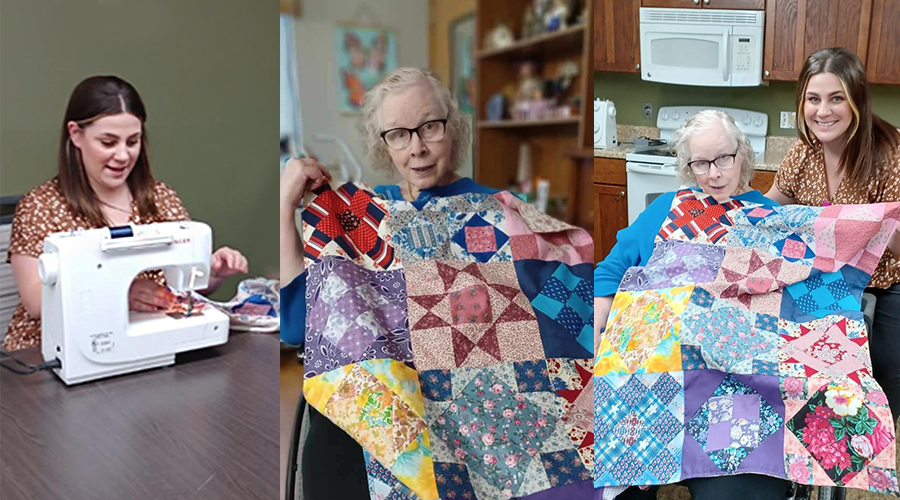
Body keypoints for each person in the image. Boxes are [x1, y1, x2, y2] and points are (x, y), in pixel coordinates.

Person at [280, 67, 506, 499]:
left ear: (452, 127)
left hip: (463, 398)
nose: (417, 148)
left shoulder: (495, 212)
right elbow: (295, 326)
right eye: (399, 134)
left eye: (429, 127)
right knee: (336, 433)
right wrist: (284, 206)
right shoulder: (357, 216)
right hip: (375, 398)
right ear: (382, 143)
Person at [594, 110, 791, 500]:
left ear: (742, 155)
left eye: (723, 159)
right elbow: (610, 271)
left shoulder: (769, 218)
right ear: (688, 166)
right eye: (701, 163)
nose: (715, 173)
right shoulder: (667, 208)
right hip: (653, 372)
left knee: (736, 491)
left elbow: (791, 288)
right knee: (612, 473)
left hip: (731, 379)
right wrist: (600, 334)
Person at [6, 75, 248, 352]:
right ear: (76, 135)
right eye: (108, 142)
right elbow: (37, 302)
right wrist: (122, 294)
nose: (123, 155)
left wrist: (213, 273)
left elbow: (180, 290)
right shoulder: (39, 207)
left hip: (145, 344)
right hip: (49, 352)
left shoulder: (160, 198)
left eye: (132, 142)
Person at [765, 47, 900, 424]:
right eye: (813, 99)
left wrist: (872, 223)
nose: (822, 111)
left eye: (836, 98)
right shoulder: (803, 153)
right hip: (822, 275)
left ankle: (861, 435)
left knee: (887, 371)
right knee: (796, 356)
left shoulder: (890, 154)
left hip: (884, 282)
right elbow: (772, 208)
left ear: (856, 100)